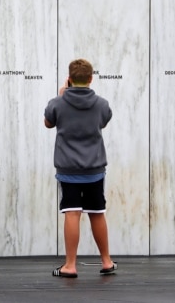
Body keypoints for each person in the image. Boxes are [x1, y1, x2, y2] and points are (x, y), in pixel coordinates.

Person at [44, 58, 116, 278]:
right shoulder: (102, 104)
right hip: (94, 168)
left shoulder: (58, 103)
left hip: (68, 169)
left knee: (72, 213)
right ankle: (106, 261)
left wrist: (61, 94)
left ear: (70, 78)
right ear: (91, 79)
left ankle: (70, 265)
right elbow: (102, 122)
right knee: (97, 213)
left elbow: (48, 123)